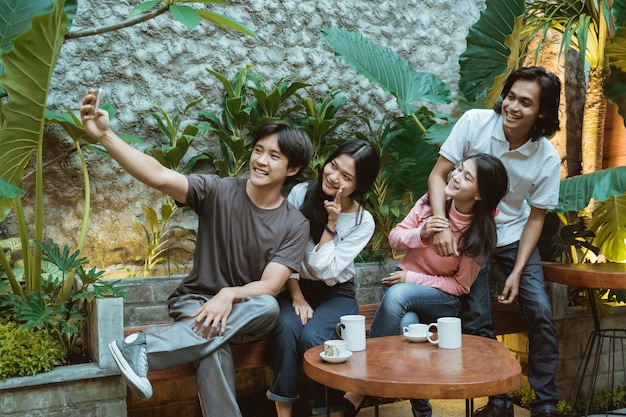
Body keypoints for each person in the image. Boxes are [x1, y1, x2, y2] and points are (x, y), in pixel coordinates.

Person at [80, 90, 313, 417]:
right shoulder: (217, 191)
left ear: (293, 168)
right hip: (195, 302)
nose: (261, 160)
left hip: (246, 310)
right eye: (259, 150)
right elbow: (158, 175)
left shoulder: (294, 222)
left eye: (274, 156)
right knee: (212, 348)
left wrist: (229, 295)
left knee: (267, 305)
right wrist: (105, 135)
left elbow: (271, 285)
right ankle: (141, 349)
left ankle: (144, 347)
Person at [428, 66, 562, 417]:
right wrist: (441, 224)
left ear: (542, 112)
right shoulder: (474, 122)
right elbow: (438, 174)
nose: (512, 106)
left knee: (540, 311)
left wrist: (517, 272)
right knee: (478, 315)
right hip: (470, 232)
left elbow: (536, 216)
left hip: (513, 235)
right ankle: (498, 401)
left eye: (525, 102)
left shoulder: (547, 156)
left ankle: (545, 400)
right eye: (511, 96)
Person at [343, 153, 509, 417]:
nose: (454, 176)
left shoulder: (478, 237)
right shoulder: (431, 203)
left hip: (440, 300)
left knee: (399, 295)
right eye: (458, 169)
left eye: (466, 177)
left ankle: (361, 383)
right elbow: (395, 238)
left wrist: (413, 279)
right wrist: (420, 233)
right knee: (409, 328)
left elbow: (460, 286)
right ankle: (423, 412)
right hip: (401, 293)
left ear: (479, 195)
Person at [266, 140, 381, 417]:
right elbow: (284, 251)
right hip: (294, 286)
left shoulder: (362, 222)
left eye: (346, 177)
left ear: (359, 185)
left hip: (336, 294)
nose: (333, 177)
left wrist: (331, 225)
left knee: (315, 337)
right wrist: (296, 296)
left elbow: (322, 269)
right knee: (285, 330)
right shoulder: (301, 192)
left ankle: (329, 410)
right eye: (333, 166)